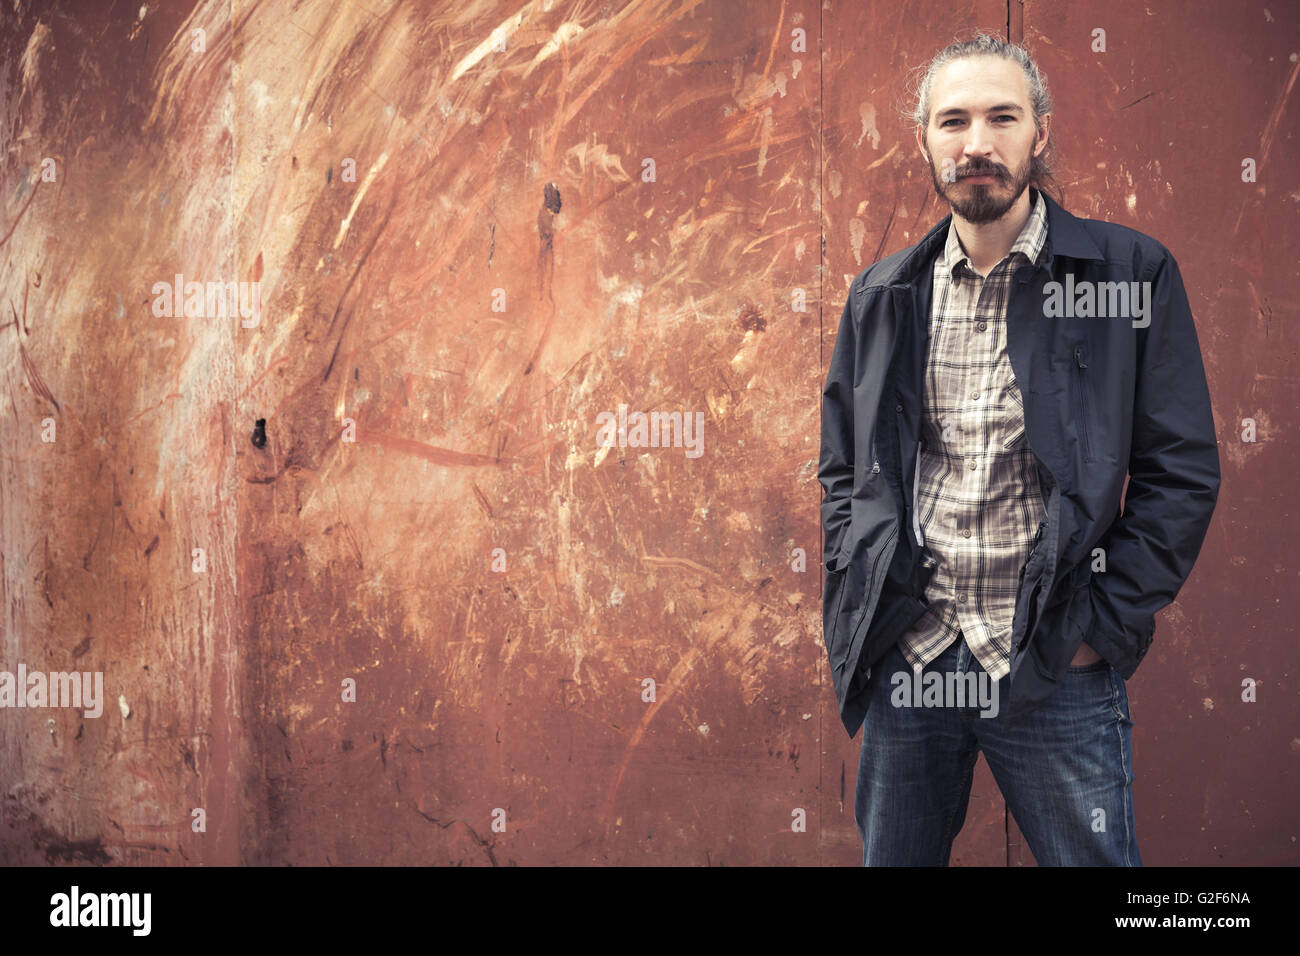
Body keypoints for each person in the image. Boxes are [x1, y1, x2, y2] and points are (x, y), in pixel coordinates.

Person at [817, 33, 1220, 866]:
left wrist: (1099, 627)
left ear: (1039, 132)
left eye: (1002, 117)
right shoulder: (883, 294)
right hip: (913, 656)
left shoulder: (1128, 274)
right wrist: (864, 601)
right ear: (923, 140)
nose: (976, 144)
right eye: (952, 121)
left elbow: (1180, 471)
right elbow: (844, 468)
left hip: (1053, 660)